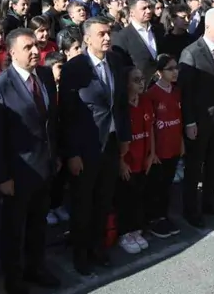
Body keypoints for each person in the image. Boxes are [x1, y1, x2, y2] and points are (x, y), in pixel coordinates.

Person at [0, 28, 61, 294]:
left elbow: (50, 123)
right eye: (27, 47)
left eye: (35, 46)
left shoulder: (44, 77)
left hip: (45, 166)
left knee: (38, 224)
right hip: (18, 173)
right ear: (12, 52)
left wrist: (56, 156)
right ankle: (14, 280)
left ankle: (36, 267)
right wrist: (3, 177)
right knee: (14, 230)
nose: (34, 51)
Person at [60, 17, 130, 274]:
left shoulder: (115, 61)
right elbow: (67, 115)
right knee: (83, 204)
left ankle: (98, 248)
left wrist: (124, 137)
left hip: (111, 144)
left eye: (109, 32)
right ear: (87, 39)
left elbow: (119, 105)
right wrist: (72, 153)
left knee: (103, 201)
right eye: (101, 34)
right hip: (86, 148)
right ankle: (81, 255)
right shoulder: (74, 68)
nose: (107, 38)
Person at [178, 8, 214, 228]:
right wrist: (189, 121)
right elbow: (186, 92)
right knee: (194, 167)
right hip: (200, 121)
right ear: (208, 26)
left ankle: (210, 201)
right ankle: (191, 209)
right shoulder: (191, 52)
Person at [145, 54, 183, 238]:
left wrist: (181, 143)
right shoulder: (152, 94)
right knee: (156, 186)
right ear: (159, 72)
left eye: (176, 68)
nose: (175, 72)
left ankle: (164, 216)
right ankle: (155, 219)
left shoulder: (176, 91)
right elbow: (150, 125)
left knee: (168, 184)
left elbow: (179, 119)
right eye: (170, 69)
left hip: (174, 146)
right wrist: (152, 151)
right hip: (159, 151)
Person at [116, 66, 153, 254]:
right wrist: (121, 162)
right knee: (125, 198)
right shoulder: (122, 107)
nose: (141, 83)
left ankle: (136, 229)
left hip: (143, 159)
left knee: (139, 195)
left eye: (142, 79)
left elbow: (151, 129)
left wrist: (151, 153)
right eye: (136, 80)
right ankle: (124, 233)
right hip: (128, 162)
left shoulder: (145, 101)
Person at [112, 0, 162, 82]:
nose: (148, 11)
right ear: (132, 12)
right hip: (139, 87)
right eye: (144, 8)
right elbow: (121, 67)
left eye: (149, 7)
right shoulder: (122, 37)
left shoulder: (158, 30)